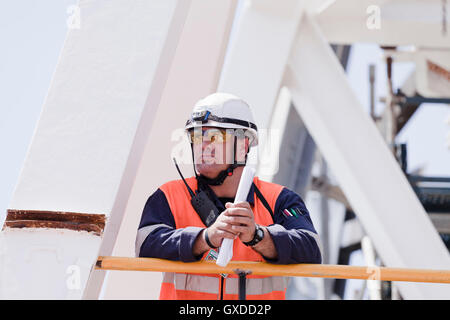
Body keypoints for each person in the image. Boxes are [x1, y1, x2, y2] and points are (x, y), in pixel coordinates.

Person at [135, 92, 322, 300]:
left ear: (243, 146)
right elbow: (145, 244)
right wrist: (205, 238)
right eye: (196, 136)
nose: (202, 145)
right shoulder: (168, 196)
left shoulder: (280, 200)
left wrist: (258, 236)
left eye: (214, 136)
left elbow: (311, 250)